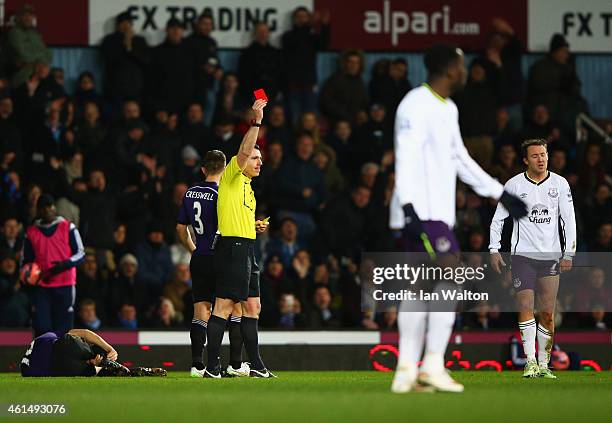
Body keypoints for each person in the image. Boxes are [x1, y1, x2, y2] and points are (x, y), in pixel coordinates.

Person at [390, 44, 527, 394]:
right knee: (450, 276)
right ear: (451, 69)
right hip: (420, 213)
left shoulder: (448, 108)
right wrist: (407, 207)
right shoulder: (414, 104)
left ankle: (407, 370)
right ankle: (433, 364)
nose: (465, 72)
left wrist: (500, 193)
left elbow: (459, 158)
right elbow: (404, 157)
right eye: (462, 66)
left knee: (421, 288)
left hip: (436, 215)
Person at [489, 139, 577, 379]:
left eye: (544, 154)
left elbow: (568, 220)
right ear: (526, 160)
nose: (541, 159)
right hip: (522, 256)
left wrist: (569, 252)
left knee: (547, 312)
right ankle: (530, 362)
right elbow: (499, 219)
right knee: (526, 306)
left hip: (550, 256)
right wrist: (494, 249)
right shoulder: (515, 185)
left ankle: (544, 363)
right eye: (535, 155)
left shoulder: (560, 184)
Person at [204, 99, 274, 378]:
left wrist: (253, 225)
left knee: (253, 306)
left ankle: (255, 366)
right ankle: (211, 367)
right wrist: (256, 122)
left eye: (260, 159)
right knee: (223, 306)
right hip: (232, 247)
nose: (259, 163)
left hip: (246, 247)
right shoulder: (232, 175)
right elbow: (245, 149)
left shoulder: (248, 188)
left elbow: (233, 215)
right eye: (255, 159)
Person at [175, 149, 247, 378]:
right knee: (233, 308)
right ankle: (235, 364)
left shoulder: (190, 193)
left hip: (199, 258)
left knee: (200, 311)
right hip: (222, 258)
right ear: (225, 169)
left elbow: (180, 229)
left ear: (203, 169)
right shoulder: (223, 194)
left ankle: (197, 365)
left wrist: (194, 250)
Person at [22, 194, 86, 336]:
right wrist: (29, 276)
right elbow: (26, 261)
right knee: (41, 326)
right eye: (43, 208)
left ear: (54, 208)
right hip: (41, 286)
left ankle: (62, 358)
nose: (47, 210)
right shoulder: (31, 232)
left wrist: (64, 265)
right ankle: (42, 357)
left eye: (49, 206)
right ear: (38, 210)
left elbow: (81, 254)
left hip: (65, 284)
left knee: (64, 329)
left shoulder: (68, 227)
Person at [20, 328, 165, 377]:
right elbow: (84, 333)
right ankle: (140, 370)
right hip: (58, 368)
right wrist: (110, 349)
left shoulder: (49, 337)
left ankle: (103, 365)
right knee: (100, 370)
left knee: (96, 369)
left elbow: (82, 334)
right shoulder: (63, 340)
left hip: (38, 370)